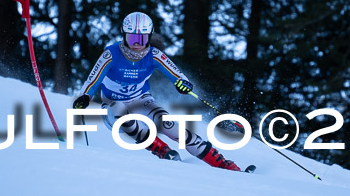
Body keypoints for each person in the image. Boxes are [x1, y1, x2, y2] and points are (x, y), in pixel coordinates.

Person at [72, 11, 241, 171]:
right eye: (132, 39)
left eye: (142, 39)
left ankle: (221, 164)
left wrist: (183, 84)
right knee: (119, 110)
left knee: (170, 125)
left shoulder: (154, 55)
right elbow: (92, 80)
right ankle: (162, 150)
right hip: (113, 106)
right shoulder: (111, 54)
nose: (137, 44)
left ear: (149, 37)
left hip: (141, 101)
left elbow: (176, 74)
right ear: (124, 36)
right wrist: (84, 97)